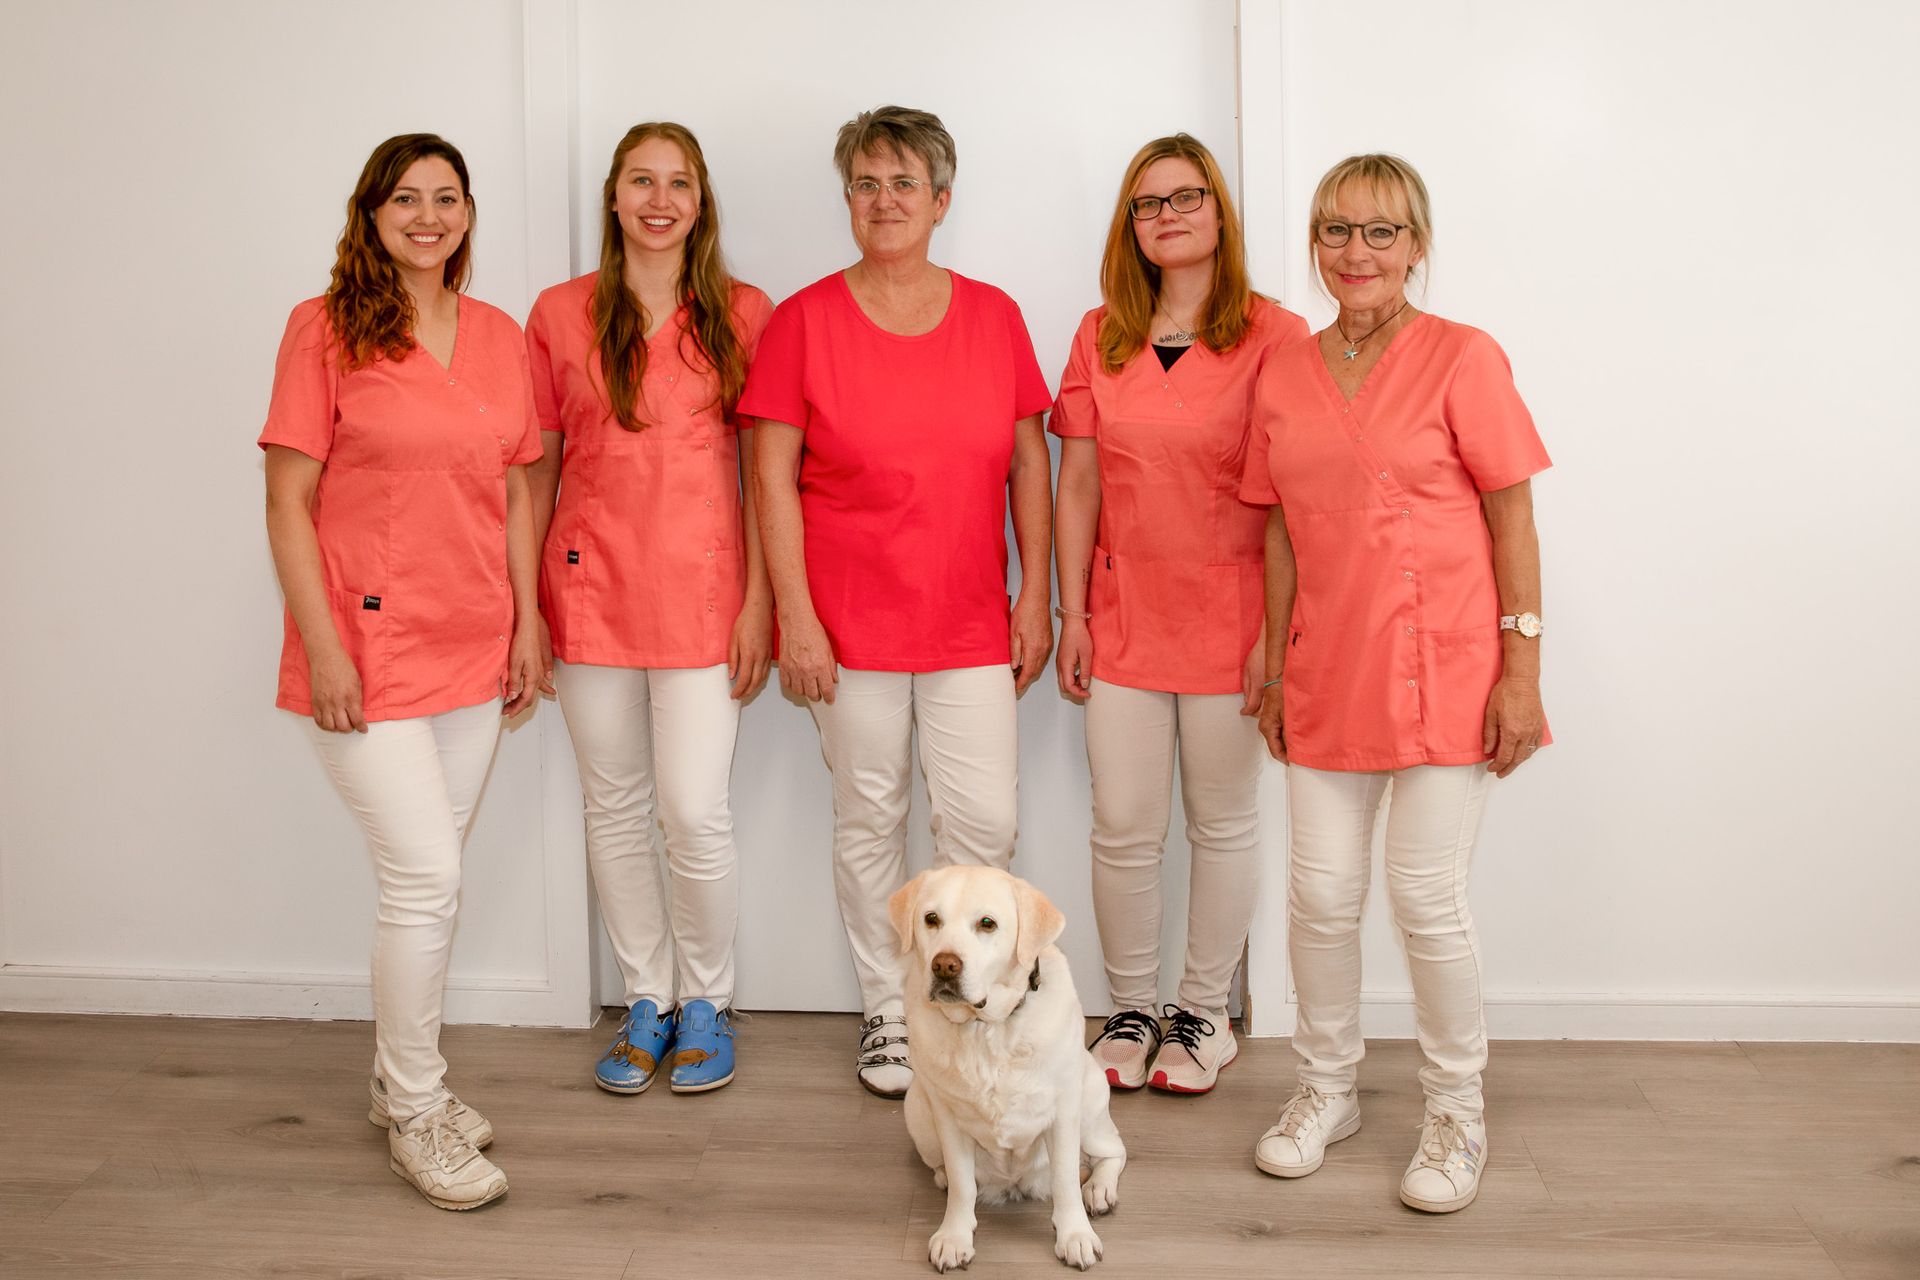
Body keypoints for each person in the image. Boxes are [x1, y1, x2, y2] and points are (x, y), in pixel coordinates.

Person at [1241, 154, 1551, 1213]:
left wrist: (1523, 669)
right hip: (1328, 664)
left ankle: (1456, 1108)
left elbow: (1512, 515)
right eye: (1335, 231)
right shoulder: (1284, 367)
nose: (1355, 252)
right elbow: (1277, 525)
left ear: (1417, 244)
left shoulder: (1465, 356)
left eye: (1379, 232)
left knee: (1425, 897)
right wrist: (1275, 661)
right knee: (1320, 896)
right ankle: (1326, 1088)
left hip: (1450, 666)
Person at [739, 105, 1054, 1098]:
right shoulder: (803, 321)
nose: (884, 200)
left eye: (904, 184)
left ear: (941, 201)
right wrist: (795, 612)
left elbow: (1030, 468)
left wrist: (1036, 592)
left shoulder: (995, 315)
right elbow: (770, 478)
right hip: (847, 626)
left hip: (968, 618)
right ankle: (889, 1007)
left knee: (983, 826)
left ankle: (975, 1001)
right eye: (867, 184)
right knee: (869, 815)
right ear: (848, 201)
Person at [260, 133, 542, 1210]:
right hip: (365, 648)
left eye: (447, 198)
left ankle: (394, 1075)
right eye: (406, 198)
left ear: (468, 213)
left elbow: (515, 490)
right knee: (427, 878)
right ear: (370, 211)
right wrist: (322, 643)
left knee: (423, 878)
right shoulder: (322, 329)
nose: (428, 216)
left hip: (475, 641)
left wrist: (527, 624)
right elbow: (287, 498)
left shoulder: (500, 335)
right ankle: (419, 1110)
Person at [1052, 135, 1307, 1095]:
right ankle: (1129, 1004)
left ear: (1219, 211)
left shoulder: (1273, 335)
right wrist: (1070, 613)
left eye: (1186, 197)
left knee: (1223, 819)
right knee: (1121, 822)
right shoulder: (1100, 333)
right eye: (1147, 202)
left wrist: (1277, 642)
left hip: (1234, 614)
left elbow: (1287, 499)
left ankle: (1202, 1008)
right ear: (1131, 225)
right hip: (1120, 614)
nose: (1167, 215)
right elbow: (1077, 483)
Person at [524, 122, 773, 1096]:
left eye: (678, 182)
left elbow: (767, 474)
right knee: (616, 808)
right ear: (615, 198)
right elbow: (538, 467)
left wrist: (762, 604)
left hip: (709, 596)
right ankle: (647, 997)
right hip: (587, 589)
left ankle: (708, 998)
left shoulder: (744, 314)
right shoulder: (558, 314)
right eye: (641, 181)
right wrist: (525, 609)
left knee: (694, 811)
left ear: (700, 201)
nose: (659, 199)